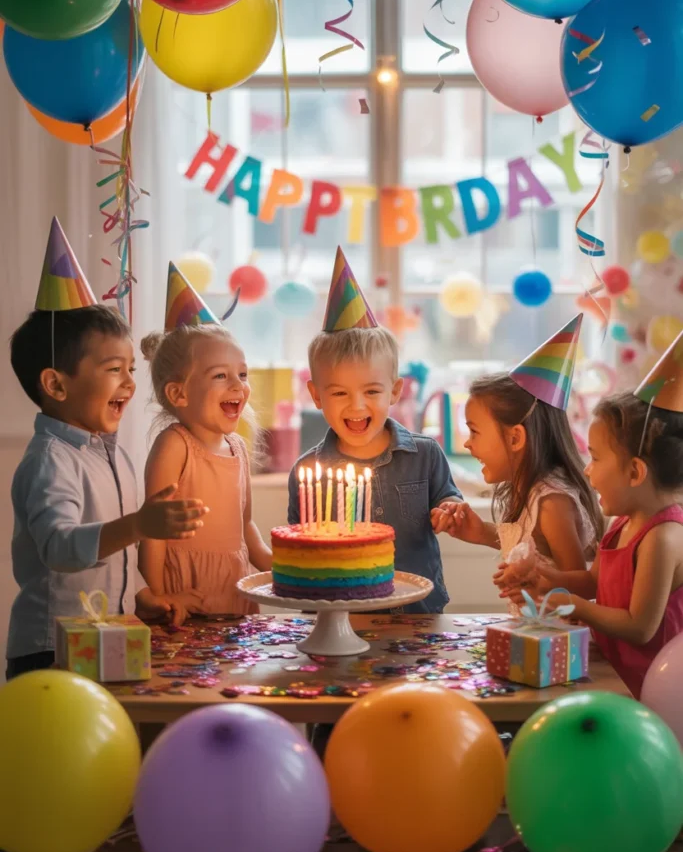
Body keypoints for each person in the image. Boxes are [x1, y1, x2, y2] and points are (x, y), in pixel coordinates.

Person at [8, 269, 208, 681]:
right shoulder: (51, 460)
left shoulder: (110, 454)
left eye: (132, 368)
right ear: (56, 385)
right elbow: (59, 547)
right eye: (115, 369)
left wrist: (140, 595)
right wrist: (138, 525)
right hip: (52, 650)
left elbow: (110, 553)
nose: (131, 383)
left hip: (105, 635)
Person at [288, 248, 461, 614]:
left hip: (418, 615)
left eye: (371, 391)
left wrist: (450, 511)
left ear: (395, 392)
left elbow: (450, 500)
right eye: (339, 393)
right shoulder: (308, 472)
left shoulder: (426, 455)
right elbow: (300, 552)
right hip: (338, 618)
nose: (357, 405)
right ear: (316, 396)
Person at [496, 371, 683, 699]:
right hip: (612, 672)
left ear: (635, 471)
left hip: (649, 687)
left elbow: (640, 627)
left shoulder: (663, 538)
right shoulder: (621, 522)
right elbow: (594, 581)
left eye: (595, 457)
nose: (586, 468)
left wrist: (575, 605)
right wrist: (544, 580)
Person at [435, 316, 602, 606]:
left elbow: (581, 590)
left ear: (515, 439)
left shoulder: (553, 504)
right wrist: (482, 532)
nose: (466, 442)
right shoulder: (533, 493)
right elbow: (535, 546)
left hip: (557, 644)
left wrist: (536, 584)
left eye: (474, 430)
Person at [139, 263, 271, 615]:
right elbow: (152, 532)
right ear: (178, 393)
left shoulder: (238, 448)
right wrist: (161, 597)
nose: (238, 385)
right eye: (220, 375)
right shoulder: (175, 446)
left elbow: (245, 525)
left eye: (242, 374)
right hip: (187, 596)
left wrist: (276, 567)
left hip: (235, 593)